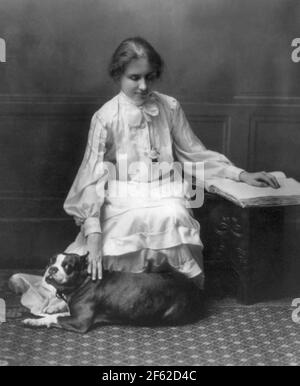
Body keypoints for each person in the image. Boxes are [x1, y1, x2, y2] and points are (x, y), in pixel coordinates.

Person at [9, 37, 279, 315]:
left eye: (149, 78)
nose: (143, 86)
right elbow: (91, 176)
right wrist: (93, 233)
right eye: (134, 78)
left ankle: (166, 297)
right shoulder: (105, 117)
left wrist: (241, 173)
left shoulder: (169, 107)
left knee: (173, 214)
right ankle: (79, 291)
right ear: (118, 75)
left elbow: (194, 153)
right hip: (121, 190)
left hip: (163, 188)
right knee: (124, 223)